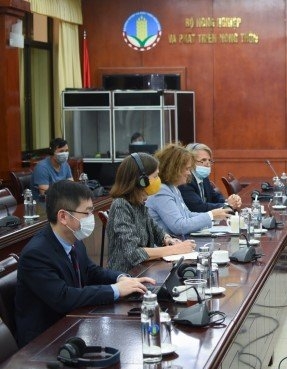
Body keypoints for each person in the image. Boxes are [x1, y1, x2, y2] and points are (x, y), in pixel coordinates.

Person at [14, 180, 154, 347]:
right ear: (63, 216)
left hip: (73, 325)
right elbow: (63, 297)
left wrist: (121, 278)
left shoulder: (74, 239)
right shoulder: (36, 254)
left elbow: (91, 271)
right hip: (44, 341)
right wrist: (115, 290)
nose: (91, 218)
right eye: (86, 213)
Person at [106, 153, 196, 273]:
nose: (159, 180)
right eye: (155, 176)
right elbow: (133, 253)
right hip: (126, 277)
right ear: (141, 181)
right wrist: (175, 249)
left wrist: (167, 239)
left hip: (144, 271)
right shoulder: (121, 205)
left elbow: (156, 230)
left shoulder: (139, 203)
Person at [145, 143, 230, 237]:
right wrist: (211, 215)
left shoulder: (173, 188)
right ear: (174, 169)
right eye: (187, 169)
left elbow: (187, 215)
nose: (189, 173)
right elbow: (179, 226)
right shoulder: (161, 191)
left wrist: (212, 216)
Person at [179, 142, 242, 213]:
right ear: (190, 162)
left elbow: (215, 197)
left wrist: (229, 201)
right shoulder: (186, 181)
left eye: (209, 160)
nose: (208, 164)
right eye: (203, 160)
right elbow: (199, 207)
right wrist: (227, 205)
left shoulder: (204, 178)